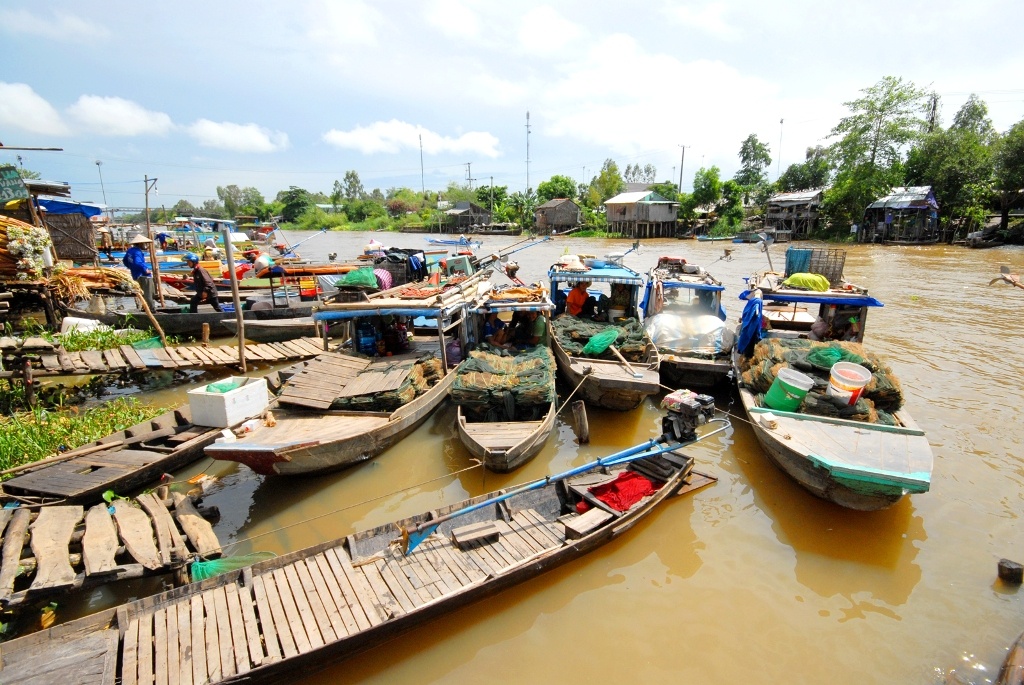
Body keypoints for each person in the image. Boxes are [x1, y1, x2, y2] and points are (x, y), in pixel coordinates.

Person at [123, 234, 155, 310]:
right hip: (143, 276)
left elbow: (125, 261)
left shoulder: (130, 250)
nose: (145, 245)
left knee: (143, 293)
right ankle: (152, 310)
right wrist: (145, 269)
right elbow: (138, 262)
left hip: (135, 275)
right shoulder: (137, 252)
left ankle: (144, 308)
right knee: (148, 294)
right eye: (144, 243)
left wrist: (131, 267)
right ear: (140, 243)